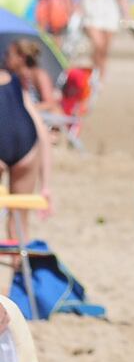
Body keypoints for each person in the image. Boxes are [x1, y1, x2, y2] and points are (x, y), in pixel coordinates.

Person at [0, 40, 50, 242]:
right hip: (27, 144)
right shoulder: (14, 82)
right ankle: (20, 270)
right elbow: (42, 133)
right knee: (19, 220)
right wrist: (47, 184)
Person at [81, 0, 126, 89]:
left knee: (104, 50)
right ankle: (95, 71)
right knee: (98, 45)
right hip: (92, 17)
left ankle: (100, 76)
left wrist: (128, 17)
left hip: (110, 17)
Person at [5, 39, 57, 110]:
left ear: (22, 57)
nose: (5, 58)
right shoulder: (13, 77)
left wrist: (25, 110)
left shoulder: (39, 75)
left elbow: (50, 104)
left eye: (8, 55)